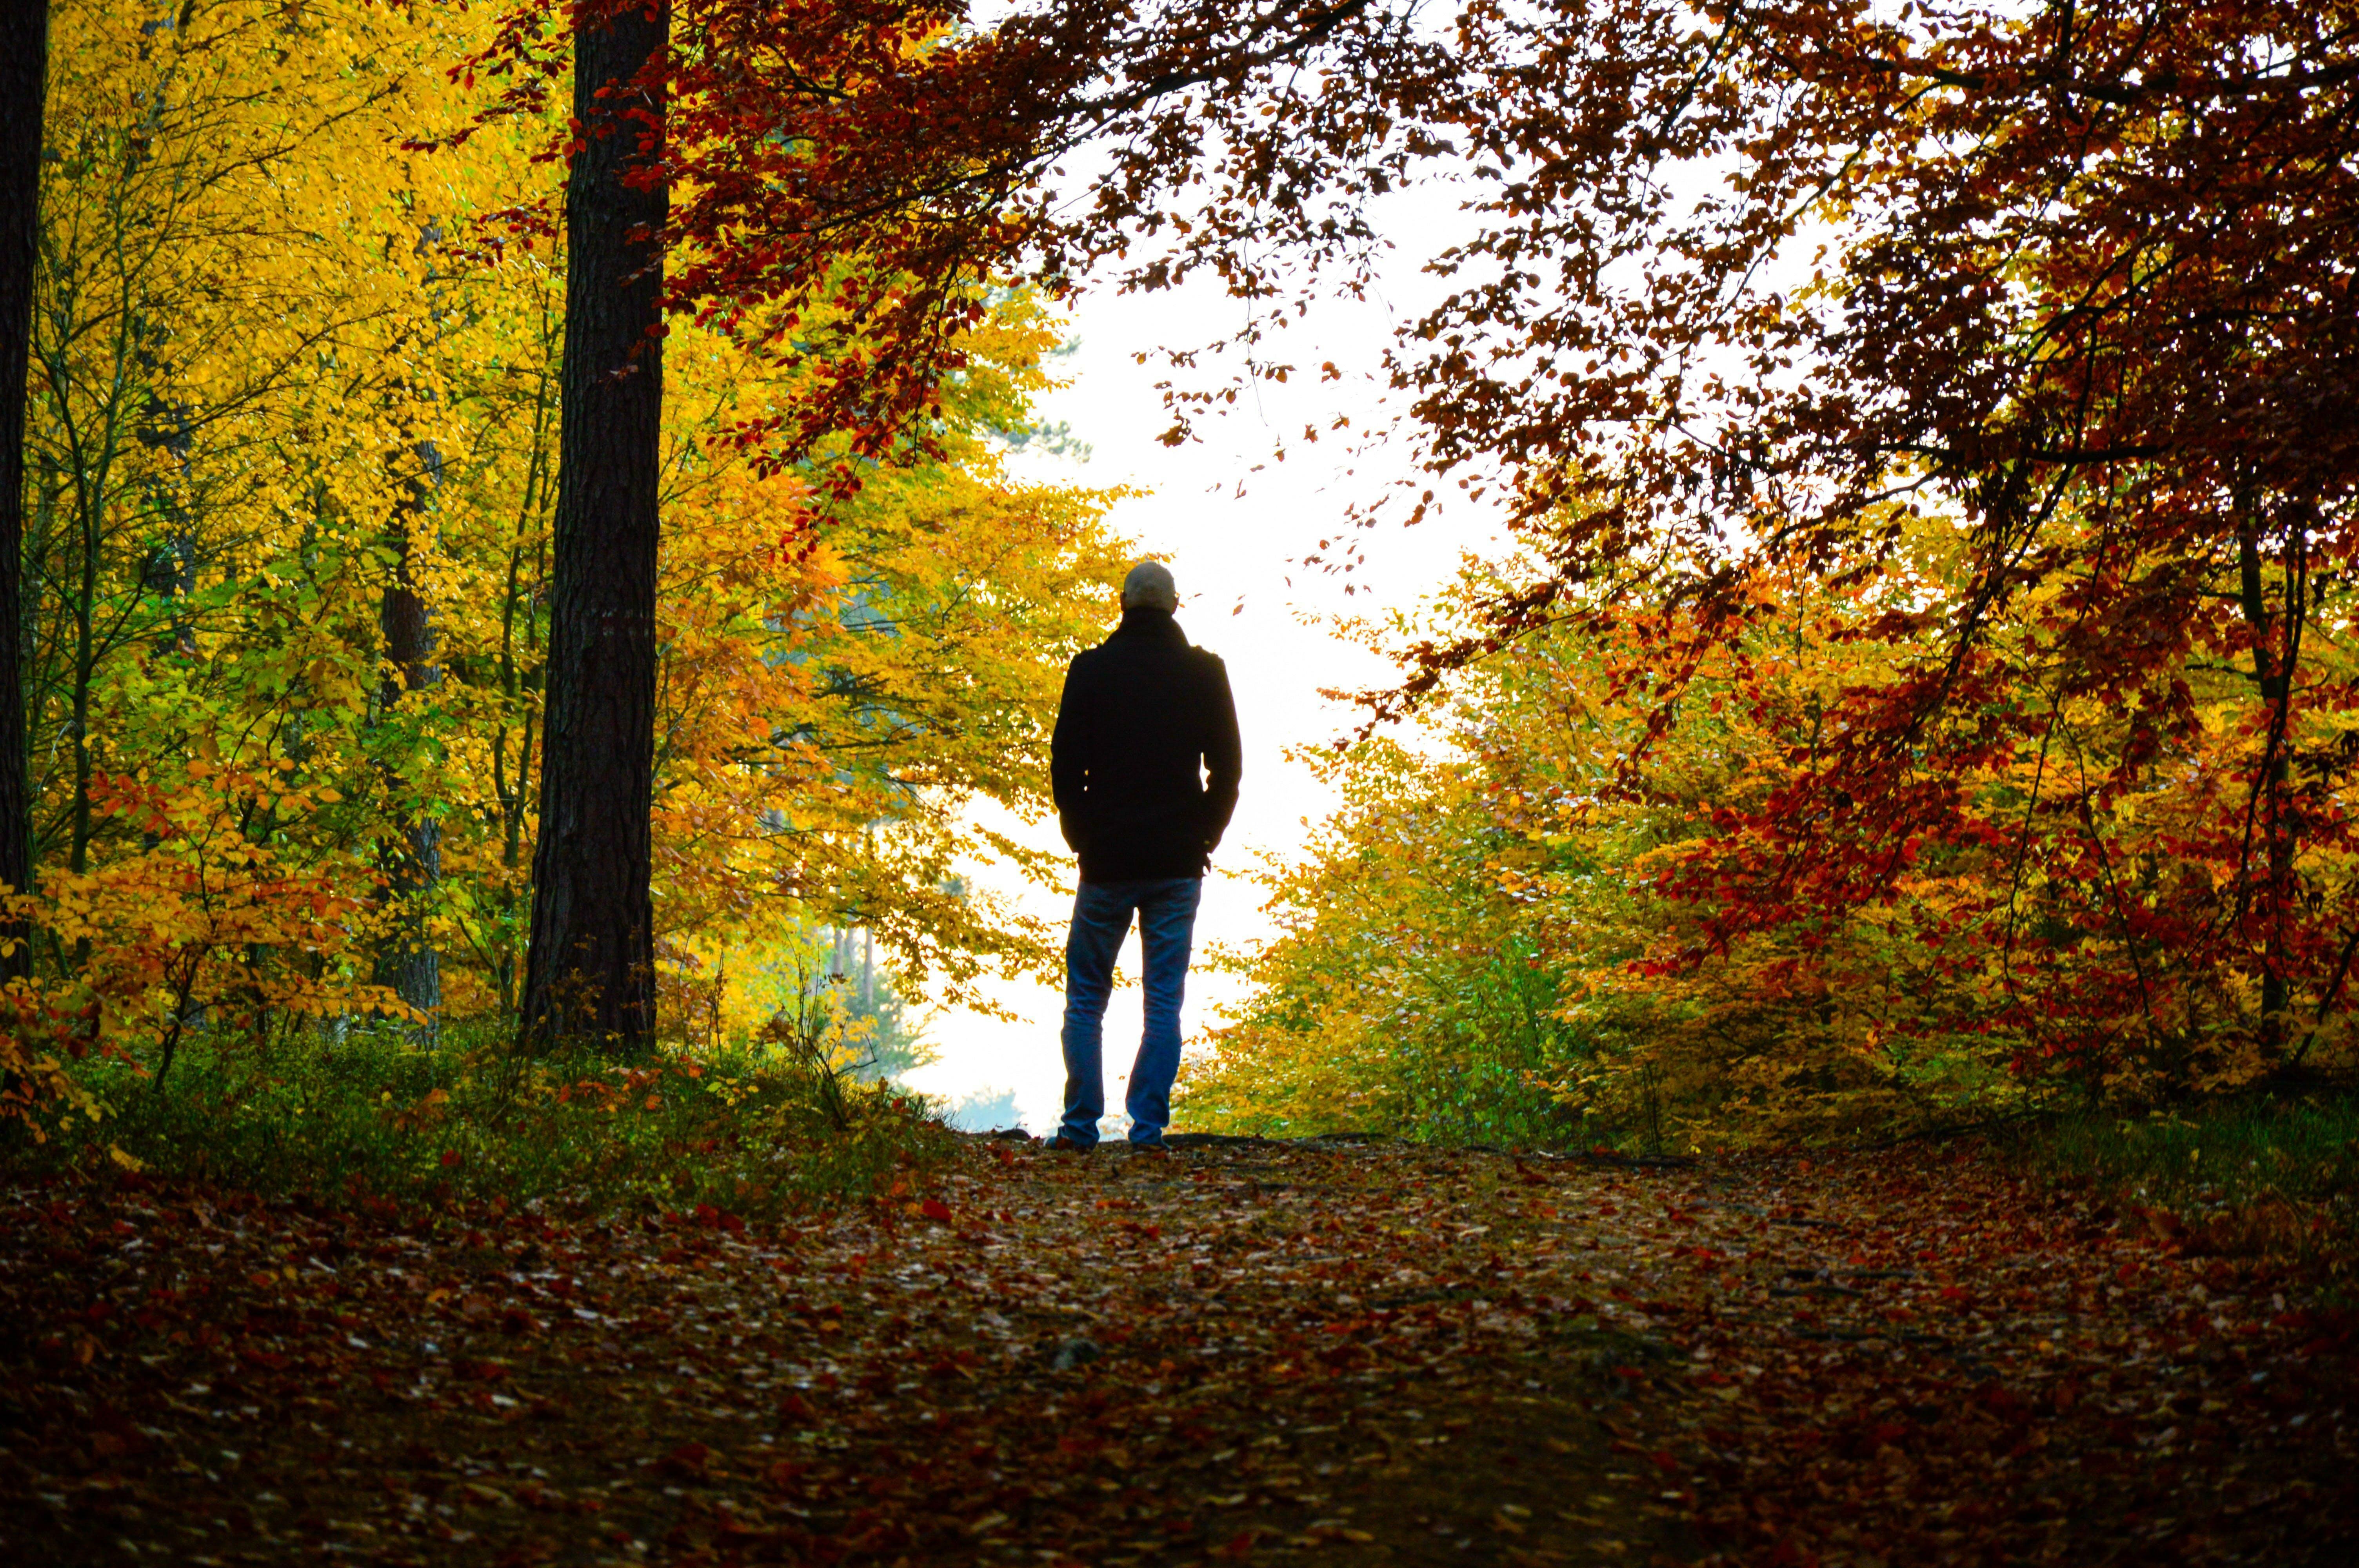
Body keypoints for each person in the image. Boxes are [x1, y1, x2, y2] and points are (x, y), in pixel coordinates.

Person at [1046, 560, 1242, 1151]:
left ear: (1124, 604)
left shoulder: (1092, 670)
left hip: (1106, 861)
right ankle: (1148, 1130)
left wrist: (1082, 834)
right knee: (1163, 1001)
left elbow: (1063, 766)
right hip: (1176, 863)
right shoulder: (1204, 672)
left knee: (1086, 996)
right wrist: (1204, 835)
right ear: (1175, 606)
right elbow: (1228, 771)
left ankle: (1080, 1127)